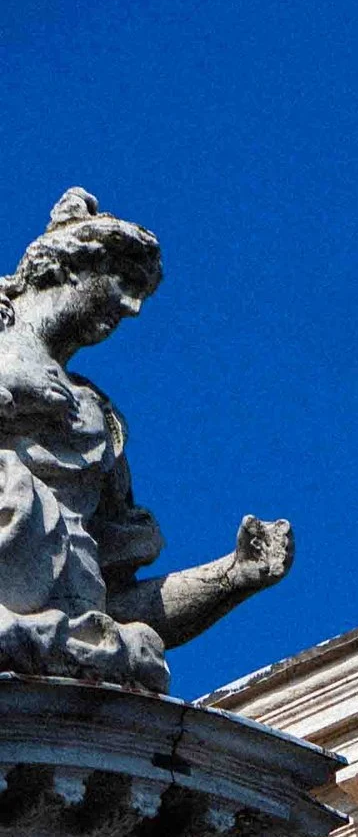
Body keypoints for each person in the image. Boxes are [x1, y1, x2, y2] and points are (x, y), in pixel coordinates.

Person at [0, 189, 291, 691]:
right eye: (123, 282)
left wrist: (233, 575)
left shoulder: (95, 422)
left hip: (52, 661)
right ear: (69, 268)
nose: (132, 307)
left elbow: (108, 605)